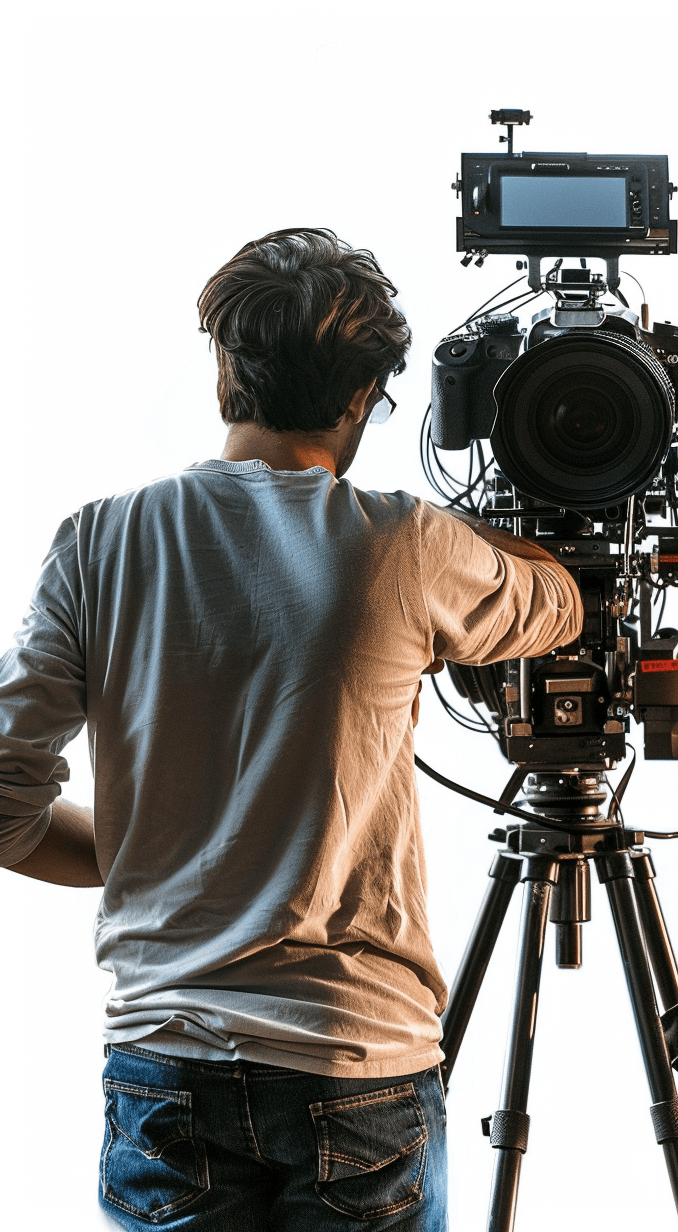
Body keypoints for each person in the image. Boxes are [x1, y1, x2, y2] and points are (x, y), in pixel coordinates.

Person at [0, 228, 583, 1231]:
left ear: (225, 364)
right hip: (357, 1066)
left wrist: (167, 851)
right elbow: (559, 602)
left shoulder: (96, 541)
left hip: (162, 1066)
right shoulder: (405, 542)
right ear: (362, 398)